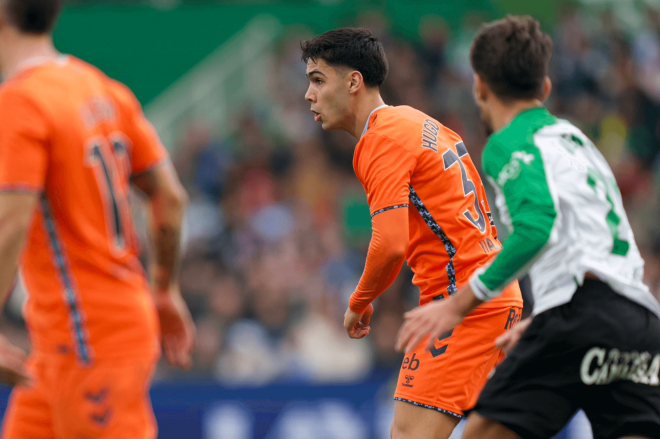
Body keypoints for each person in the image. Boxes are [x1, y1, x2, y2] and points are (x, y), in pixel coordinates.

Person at [396, 15, 660, 439]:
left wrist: (457, 305)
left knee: (479, 434)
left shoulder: (508, 142)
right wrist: (547, 316)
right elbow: (595, 243)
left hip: (584, 317)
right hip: (640, 321)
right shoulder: (576, 140)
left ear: (479, 86)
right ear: (546, 89)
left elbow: (538, 227)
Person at [301, 28, 522, 439]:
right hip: (494, 296)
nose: (309, 96)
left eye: (318, 80)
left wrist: (359, 300)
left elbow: (390, 245)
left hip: (462, 304)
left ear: (353, 82)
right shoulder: (421, 123)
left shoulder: (380, 139)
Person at [0, 0, 195, 437]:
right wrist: (164, 289)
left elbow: (9, 223)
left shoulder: (20, 101)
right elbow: (171, 197)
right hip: (65, 340)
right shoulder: (101, 87)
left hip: (89, 338)